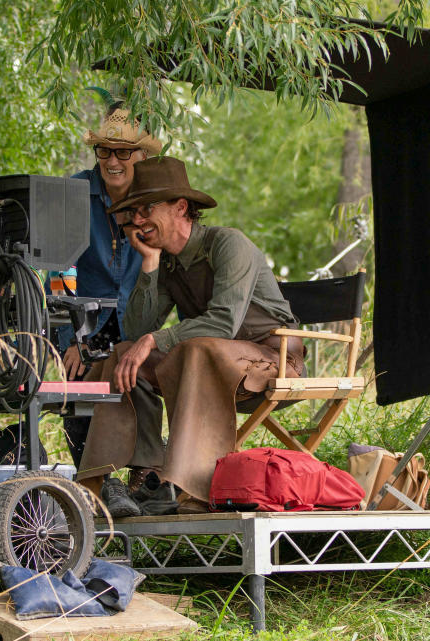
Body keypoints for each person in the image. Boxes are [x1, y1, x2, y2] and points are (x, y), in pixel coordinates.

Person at [76, 156, 305, 513]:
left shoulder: (228, 244)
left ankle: (194, 489)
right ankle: (145, 476)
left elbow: (224, 322)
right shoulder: (168, 263)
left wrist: (154, 341)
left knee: (195, 349)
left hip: (275, 363)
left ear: (181, 207)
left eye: (146, 207)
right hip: (210, 365)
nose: (137, 219)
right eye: (133, 211)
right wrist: (149, 266)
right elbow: (137, 332)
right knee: (125, 353)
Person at [55, 103, 161, 472]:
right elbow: (60, 273)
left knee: (138, 372)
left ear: (142, 155)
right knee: (76, 380)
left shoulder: (154, 201)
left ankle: (146, 478)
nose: (112, 161)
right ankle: (99, 483)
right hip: (80, 327)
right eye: (104, 150)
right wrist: (76, 339)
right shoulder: (74, 192)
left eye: (123, 152)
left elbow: (156, 286)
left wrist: (106, 344)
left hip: (134, 326)